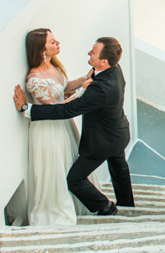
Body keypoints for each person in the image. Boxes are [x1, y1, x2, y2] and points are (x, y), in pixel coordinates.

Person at [14, 36, 135, 216]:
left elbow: (67, 110)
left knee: (75, 180)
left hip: (102, 141)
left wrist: (26, 108)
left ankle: (106, 207)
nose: (89, 53)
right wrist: (82, 85)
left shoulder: (100, 88)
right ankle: (127, 205)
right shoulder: (114, 69)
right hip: (119, 132)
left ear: (104, 61)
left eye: (93, 52)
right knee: (119, 168)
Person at [21, 28, 96, 226]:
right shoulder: (34, 80)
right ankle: (56, 209)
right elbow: (55, 109)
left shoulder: (54, 66)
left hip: (64, 125)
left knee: (70, 163)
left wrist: (84, 79)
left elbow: (63, 88)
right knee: (56, 167)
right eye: (52, 41)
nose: (57, 43)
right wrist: (82, 91)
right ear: (41, 49)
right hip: (49, 129)